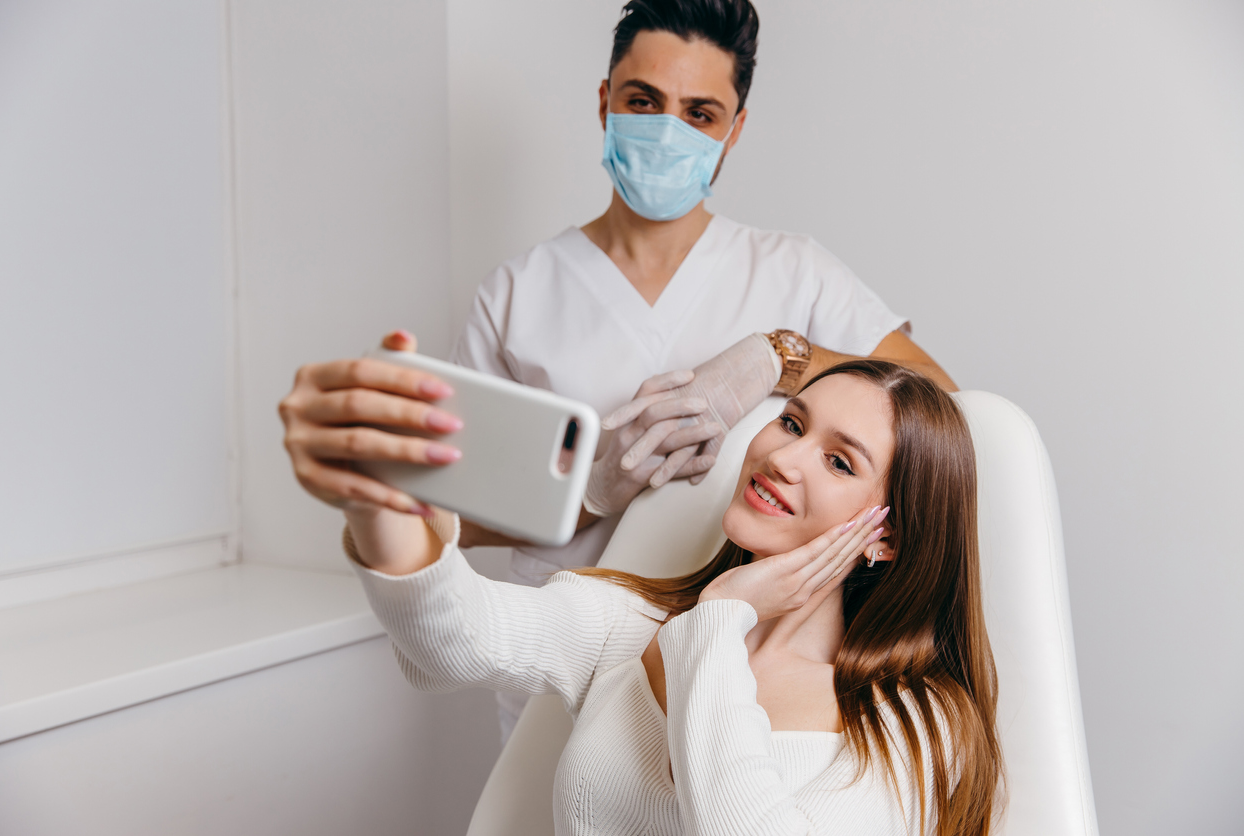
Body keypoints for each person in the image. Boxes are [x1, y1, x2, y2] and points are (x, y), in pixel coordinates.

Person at [282, 0, 958, 739]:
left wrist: (778, 358)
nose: (668, 130)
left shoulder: (794, 272)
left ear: (734, 131)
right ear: (605, 101)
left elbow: (945, 410)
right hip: (559, 667)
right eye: (644, 102)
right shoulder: (520, 294)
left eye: (700, 113)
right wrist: (583, 494)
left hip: (745, 676)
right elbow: (448, 514)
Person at [313, 354, 1001, 835]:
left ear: (889, 538)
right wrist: (381, 509)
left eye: (839, 460)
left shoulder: (914, 727)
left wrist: (721, 617)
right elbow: (458, 639)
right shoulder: (631, 624)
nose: (781, 458)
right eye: (791, 423)